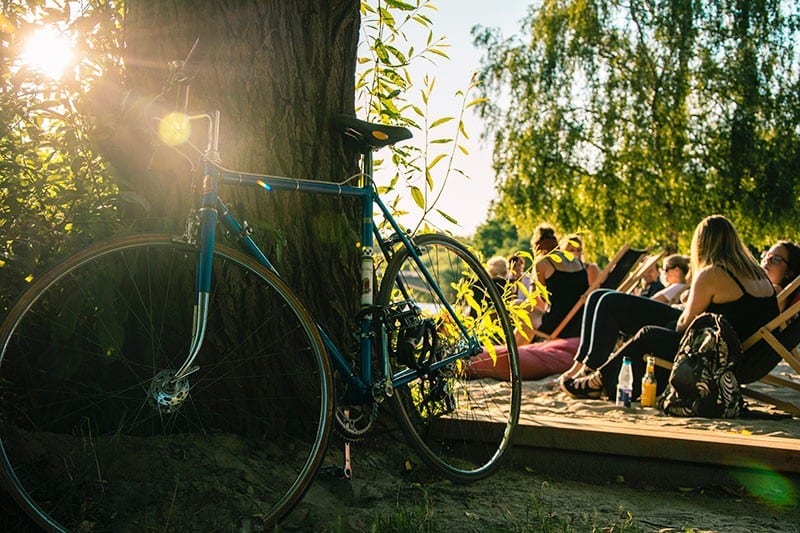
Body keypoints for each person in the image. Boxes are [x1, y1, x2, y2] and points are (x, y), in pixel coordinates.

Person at [562, 215, 779, 401]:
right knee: (603, 298)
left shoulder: (713, 273)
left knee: (649, 334)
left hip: (711, 351)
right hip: (727, 344)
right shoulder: (758, 273)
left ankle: (599, 380)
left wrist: (686, 307)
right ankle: (589, 366)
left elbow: (683, 327)